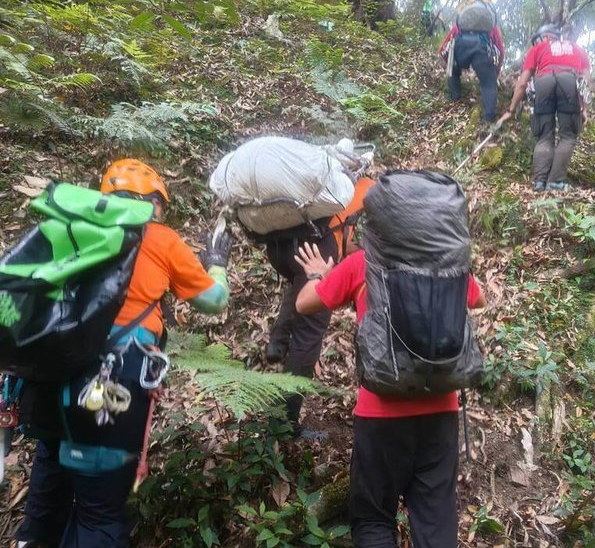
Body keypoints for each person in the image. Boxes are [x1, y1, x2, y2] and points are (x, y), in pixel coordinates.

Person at [16, 158, 232, 547]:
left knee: (52, 474)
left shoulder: (70, 229)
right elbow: (213, 301)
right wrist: (216, 264)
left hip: (52, 372)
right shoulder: (160, 238)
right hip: (113, 380)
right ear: (154, 204)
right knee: (100, 511)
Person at [294, 208, 487, 547]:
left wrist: (319, 276)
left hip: (380, 414)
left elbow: (304, 304)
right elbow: (479, 298)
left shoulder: (362, 264)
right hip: (440, 411)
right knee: (435, 521)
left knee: (372, 519)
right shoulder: (446, 264)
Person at [260, 175, 374, 438]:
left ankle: (276, 344)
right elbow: (357, 240)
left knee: (300, 281)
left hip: (281, 250)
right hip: (317, 248)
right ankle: (285, 425)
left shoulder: (323, 186)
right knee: (308, 337)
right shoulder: (367, 189)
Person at [499, 24, 590, 191]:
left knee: (544, 136)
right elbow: (585, 80)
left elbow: (522, 83)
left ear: (546, 36)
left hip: (543, 81)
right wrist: (583, 107)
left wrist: (510, 111)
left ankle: (540, 181)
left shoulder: (537, 49)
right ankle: (555, 182)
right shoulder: (577, 49)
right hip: (569, 82)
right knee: (568, 136)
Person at [439, 0, 505, 123]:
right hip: (482, 50)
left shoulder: (462, 23)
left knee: (453, 68)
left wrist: (450, 64)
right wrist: (495, 72)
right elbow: (500, 50)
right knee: (488, 84)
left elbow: (444, 47)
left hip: (461, 48)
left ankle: (455, 98)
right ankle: (488, 118)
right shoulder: (491, 27)